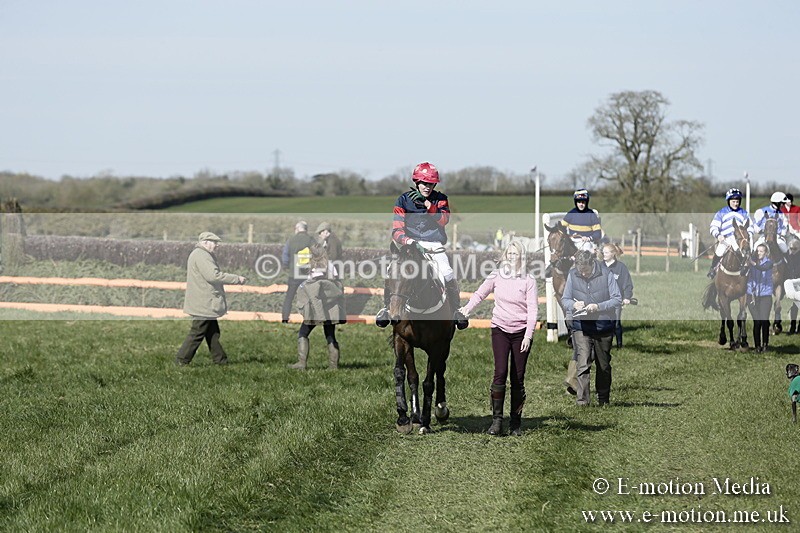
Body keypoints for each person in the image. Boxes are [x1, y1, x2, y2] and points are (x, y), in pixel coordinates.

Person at [458, 241, 538, 436]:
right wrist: (466, 309)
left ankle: (515, 423)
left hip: (520, 333)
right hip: (500, 329)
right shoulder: (496, 275)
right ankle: (497, 421)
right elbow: (480, 294)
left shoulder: (529, 280)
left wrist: (528, 335)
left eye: (515, 253)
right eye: (509, 253)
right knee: (500, 372)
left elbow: (533, 310)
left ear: (521, 256)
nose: (512, 256)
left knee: (518, 378)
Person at [375, 161, 468, 329]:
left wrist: (428, 206)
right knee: (393, 271)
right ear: (417, 182)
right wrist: (409, 241)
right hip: (410, 246)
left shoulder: (441, 200)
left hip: (434, 246)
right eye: (424, 183)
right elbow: (396, 231)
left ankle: (456, 311)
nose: (428, 187)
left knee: (447, 273)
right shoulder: (403, 200)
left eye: (431, 184)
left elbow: (444, 220)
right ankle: (386, 309)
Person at [561, 250, 622, 406]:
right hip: (581, 325)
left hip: (603, 326)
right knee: (583, 361)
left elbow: (617, 299)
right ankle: (583, 402)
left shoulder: (606, 274)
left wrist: (599, 307)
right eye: (580, 271)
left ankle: (603, 399)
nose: (583, 274)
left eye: (586, 271)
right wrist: (573, 305)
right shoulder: (573, 275)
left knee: (603, 365)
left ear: (592, 264)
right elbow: (565, 299)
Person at [176, 232, 246, 366]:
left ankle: (221, 360)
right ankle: (182, 360)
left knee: (212, 333)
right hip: (204, 302)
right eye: (214, 242)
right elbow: (213, 276)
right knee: (197, 332)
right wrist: (237, 279)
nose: (217, 245)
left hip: (203, 301)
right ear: (205, 242)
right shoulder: (202, 255)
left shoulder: (200, 254)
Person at [289, 244, 345, 370]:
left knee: (303, 333)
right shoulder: (330, 266)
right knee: (330, 335)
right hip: (330, 307)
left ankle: (301, 363)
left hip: (315, 309)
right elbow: (336, 281)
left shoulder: (311, 267)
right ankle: (333, 366)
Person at [708, 188, 752, 279]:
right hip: (726, 239)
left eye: (737, 201)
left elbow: (751, 226)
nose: (736, 203)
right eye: (733, 201)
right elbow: (713, 227)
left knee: (747, 253)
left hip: (740, 240)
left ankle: (747, 272)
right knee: (719, 251)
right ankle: (712, 270)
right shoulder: (721, 212)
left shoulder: (744, 213)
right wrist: (718, 235)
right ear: (728, 201)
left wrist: (748, 235)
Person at [281, 220, 315, 323]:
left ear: (297, 229)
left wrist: (286, 266)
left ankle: (285, 319)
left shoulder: (291, 240)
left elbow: (285, 255)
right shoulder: (311, 240)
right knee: (308, 298)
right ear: (306, 229)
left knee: (289, 297)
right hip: (306, 275)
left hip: (293, 274)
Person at [602, 243, 634, 349]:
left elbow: (627, 284)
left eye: (606, 252)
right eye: (603, 252)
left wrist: (627, 297)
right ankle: (605, 345)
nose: (604, 254)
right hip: (601, 301)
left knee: (615, 323)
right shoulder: (599, 266)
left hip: (616, 301)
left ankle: (619, 346)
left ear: (613, 254)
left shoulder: (621, 268)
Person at [747, 243, 774, 353]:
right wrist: (746, 265)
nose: (759, 253)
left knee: (764, 321)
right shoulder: (752, 263)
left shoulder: (769, 263)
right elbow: (743, 273)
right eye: (757, 251)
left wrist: (752, 263)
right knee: (757, 321)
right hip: (752, 296)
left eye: (761, 251)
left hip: (765, 296)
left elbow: (763, 268)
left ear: (766, 252)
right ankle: (757, 346)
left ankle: (765, 345)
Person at [753, 191, 790, 256]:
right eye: (782, 203)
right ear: (777, 203)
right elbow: (755, 225)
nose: (783, 205)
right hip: (764, 236)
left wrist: (782, 233)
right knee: (755, 247)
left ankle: (789, 264)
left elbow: (785, 225)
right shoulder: (761, 211)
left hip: (777, 237)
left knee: (784, 248)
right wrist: (760, 230)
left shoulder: (782, 213)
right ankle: (751, 264)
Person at [785, 239, 800, 334]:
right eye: (791, 248)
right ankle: (793, 326)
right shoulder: (788, 256)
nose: (793, 251)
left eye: (795, 249)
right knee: (795, 306)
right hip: (794, 283)